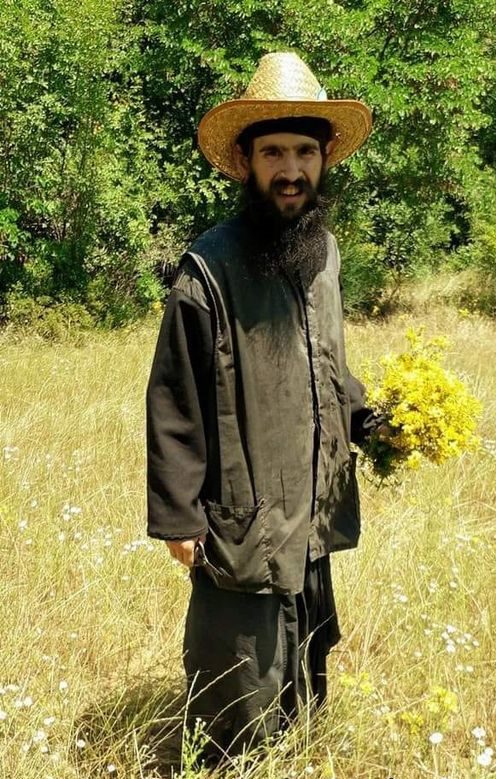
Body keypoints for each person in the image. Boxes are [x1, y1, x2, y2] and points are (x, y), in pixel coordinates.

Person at [146, 51, 376, 765]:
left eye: (304, 152)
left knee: (303, 648)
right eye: (273, 152)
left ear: (324, 158)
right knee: (238, 659)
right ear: (245, 162)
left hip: (310, 499)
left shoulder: (324, 252)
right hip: (242, 507)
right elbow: (175, 394)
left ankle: (293, 746)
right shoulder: (208, 268)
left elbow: (327, 363)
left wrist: (372, 419)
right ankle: (229, 759)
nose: (290, 169)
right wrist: (179, 515)